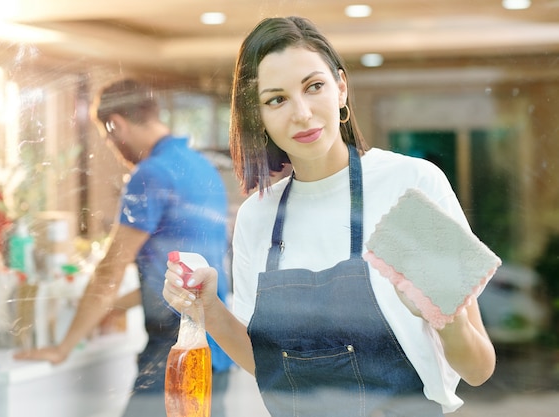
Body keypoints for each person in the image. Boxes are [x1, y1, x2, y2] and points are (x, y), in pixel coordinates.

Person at [163, 16, 496, 417]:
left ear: (341, 87)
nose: (301, 113)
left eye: (313, 87)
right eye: (276, 99)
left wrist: (445, 318)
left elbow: (479, 369)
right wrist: (209, 308)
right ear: (259, 116)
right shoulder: (258, 216)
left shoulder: (410, 185)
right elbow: (266, 365)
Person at [14, 78, 233, 417]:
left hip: (174, 349)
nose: (113, 150)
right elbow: (184, 273)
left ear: (116, 124)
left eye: (107, 138)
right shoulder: (201, 167)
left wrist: (63, 348)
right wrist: (114, 307)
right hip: (216, 348)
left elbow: (109, 270)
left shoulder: (149, 174)